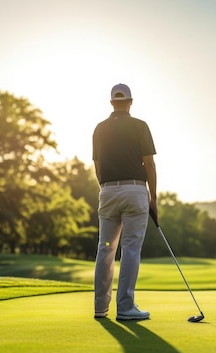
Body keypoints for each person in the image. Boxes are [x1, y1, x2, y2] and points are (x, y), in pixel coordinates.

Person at [92, 83, 158, 321]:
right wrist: (154, 198)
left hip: (107, 191)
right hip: (135, 191)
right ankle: (126, 307)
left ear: (112, 103)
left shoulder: (99, 129)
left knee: (105, 249)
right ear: (130, 102)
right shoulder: (140, 126)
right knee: (130, 249)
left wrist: (107, 190)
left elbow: (97, 168)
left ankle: (100, 308)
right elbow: (149, 164)